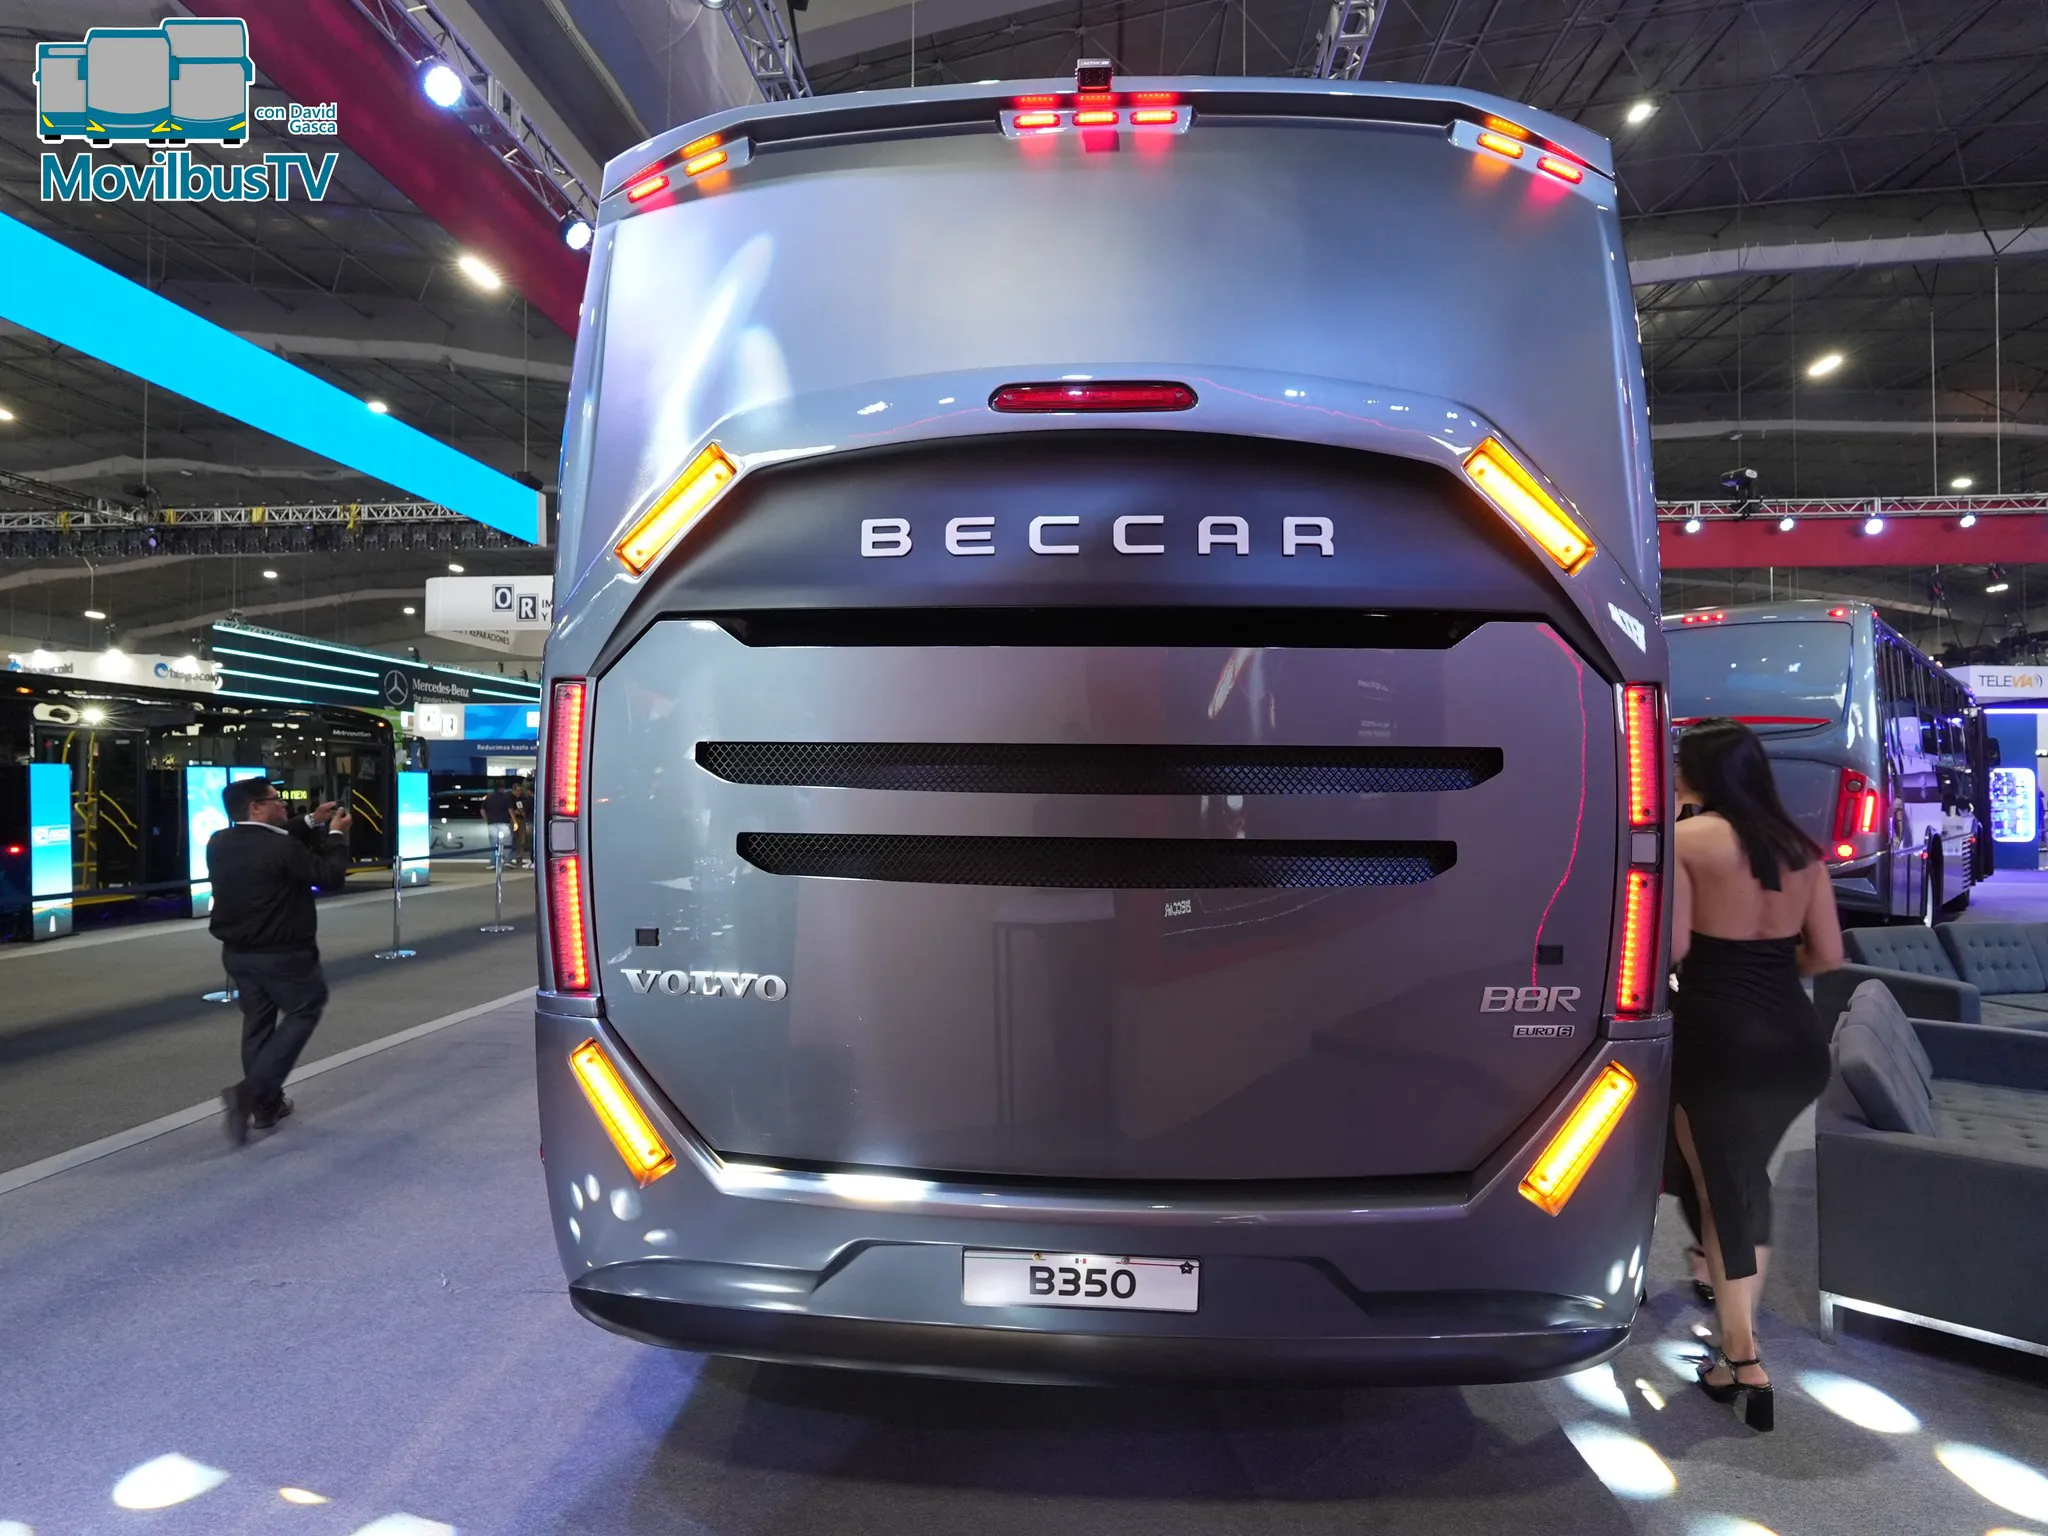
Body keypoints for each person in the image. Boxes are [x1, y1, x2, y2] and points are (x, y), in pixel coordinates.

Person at [1669, 718, 1843, 1432]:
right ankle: (1736, 1347)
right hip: (1796, 1042)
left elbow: (1670, 947)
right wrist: (1767, 969)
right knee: (1742, 1188)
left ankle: (1742, 1358)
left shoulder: (1687, 841)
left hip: (1719, 1038)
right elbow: (1826, 955)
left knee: (1725, 1196)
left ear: (1701, 772)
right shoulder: (1801, 849)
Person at [207, 778, 352, 1144]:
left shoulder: (219, 842)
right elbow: (330, 876)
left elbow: (267, 842)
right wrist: (336, 835)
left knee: (258, 1023)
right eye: (276, 799)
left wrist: (312, 821)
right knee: (304, 1010)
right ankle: (250, 1092)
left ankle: (266, 1106)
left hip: (237, 954)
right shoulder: (282, 848)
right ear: (256, 807)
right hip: (284, 953)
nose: (284, 804)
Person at [482, 778, 514, 865]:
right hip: (504, 822)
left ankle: (493, 863)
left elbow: (482, 810)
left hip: (492, 823)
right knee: (507, 842)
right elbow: (510, 810)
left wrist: (487, 820)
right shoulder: (505, 797)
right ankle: (507, 860)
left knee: (493, 844)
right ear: (502, 788)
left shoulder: (488, 797)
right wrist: (515, 821)